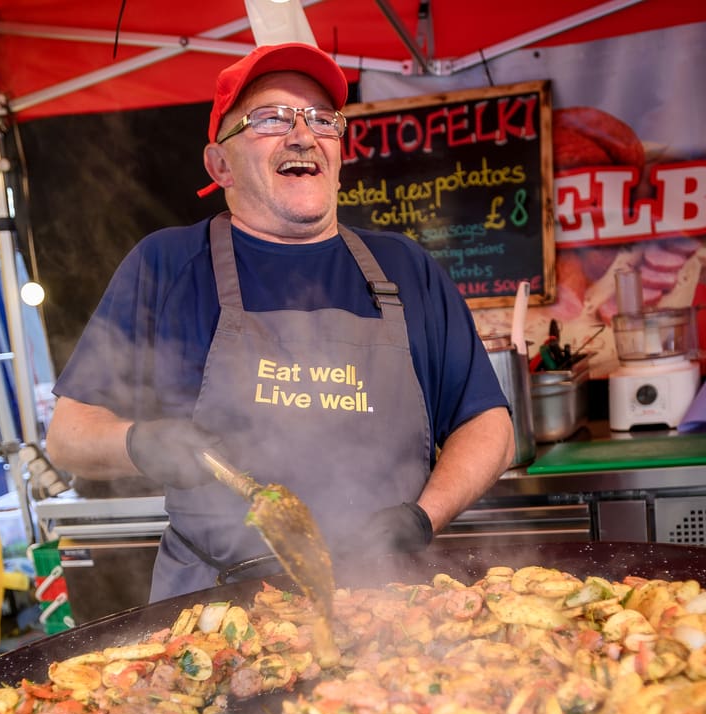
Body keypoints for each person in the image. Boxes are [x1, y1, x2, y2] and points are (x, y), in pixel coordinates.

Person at [46, 42, 515, 602]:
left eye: (322, 119)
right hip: (215, 604)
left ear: (338, 153)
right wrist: (140, 443)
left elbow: (490, 427)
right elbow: (68, 435)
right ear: (220, 164)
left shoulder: (404, 268)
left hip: (387, 603)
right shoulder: (167, 264)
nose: (302, 134)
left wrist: (421, 517)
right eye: (270, 119)